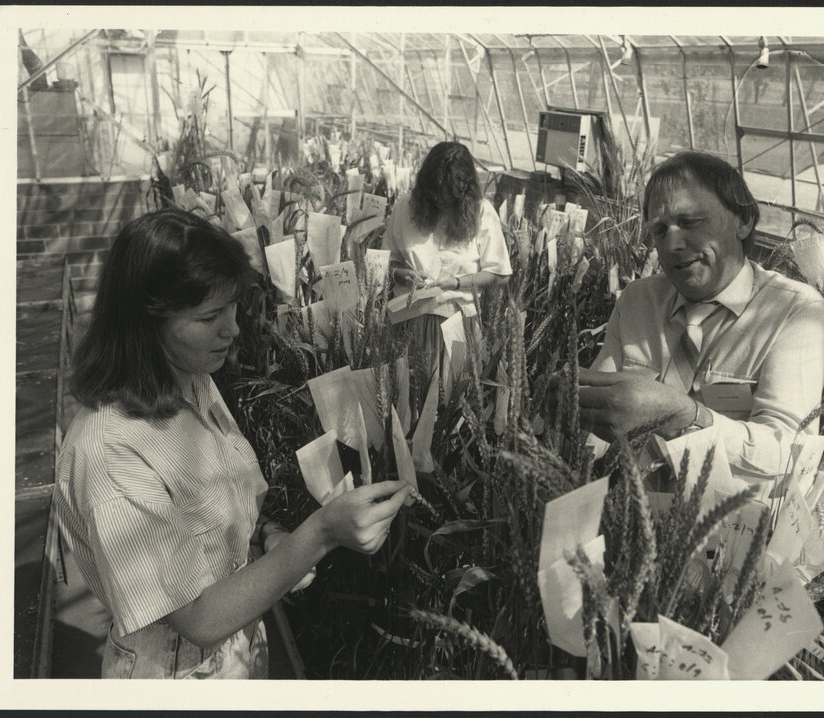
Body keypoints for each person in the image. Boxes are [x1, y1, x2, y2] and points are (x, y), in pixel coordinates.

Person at [53, 208, 412, 679]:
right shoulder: (109, 453)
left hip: (239, 655)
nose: (234, 329)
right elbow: (199, 619)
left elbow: (227, 497)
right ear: (145, 323)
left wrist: (269, 535)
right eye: (209, 316)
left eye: (232, 307)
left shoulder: (191, 379)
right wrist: (321, 534)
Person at [577, 151, 824, 482]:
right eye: (659, 229)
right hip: (631, 513)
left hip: (734, 526)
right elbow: (596, 416)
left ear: (743, 221)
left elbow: (789, 454)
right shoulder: (638, 300)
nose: (672, 243)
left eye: (690, 222)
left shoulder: (794, 313)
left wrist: (683, 417)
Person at [381, 141, 512, 394]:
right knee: (406, 400)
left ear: (464, 190)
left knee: (450, 400)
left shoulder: (481, 213)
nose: (440, 200)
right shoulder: (405, 207)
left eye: (448, 195)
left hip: (457, 323)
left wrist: (458, 282)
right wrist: (401, 274)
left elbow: (499, 274)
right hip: (407, 321)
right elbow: (385, 260)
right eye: (434, 193)